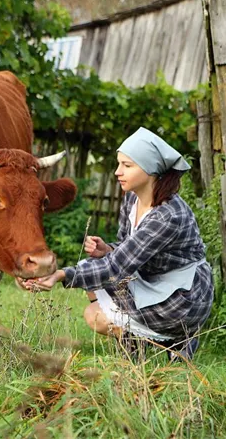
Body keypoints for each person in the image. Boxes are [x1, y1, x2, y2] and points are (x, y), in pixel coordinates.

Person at [20, 127, 213, 360]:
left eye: (127, 166)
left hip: (182, 295)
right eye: (119, 164)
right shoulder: (133, 198)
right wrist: (109, 249)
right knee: (92, 270)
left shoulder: (168, 215)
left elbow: (115, 269)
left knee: (95, 314)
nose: (117, 172)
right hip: (152, 280)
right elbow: (126, 247)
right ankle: (137, 345)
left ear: (151, 169)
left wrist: (59, 275)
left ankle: (178, 338)